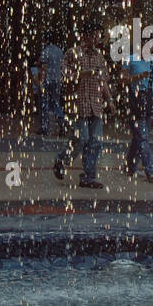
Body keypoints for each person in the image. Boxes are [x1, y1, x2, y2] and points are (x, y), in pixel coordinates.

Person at [53, 27, 114, 188]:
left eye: (98, 36)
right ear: (85, 36)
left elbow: (103, 81)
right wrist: (81, 74)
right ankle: (62, 159)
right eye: (93, 36)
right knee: (82, 138)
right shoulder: (72, 53)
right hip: (78, 104)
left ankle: (89, 176)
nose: (96, 40)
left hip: (95, 104)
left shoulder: (99, 57)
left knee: (96, 140)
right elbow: (65, 76)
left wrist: (110, 100)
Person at [120, 51, 153, 182]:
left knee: (139, 137)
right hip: (135, 103)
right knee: (142, 137)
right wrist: (138, 77)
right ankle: (150, 168)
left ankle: (130, 166)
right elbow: (123, 79)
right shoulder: (130, 59)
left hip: (149, 103)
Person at [38, 33, 65, 136]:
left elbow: (44, 67)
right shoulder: (59, 51)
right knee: (56, 102)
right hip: (57, 80)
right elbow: (62, 66)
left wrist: (41, 81)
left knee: (44, 103)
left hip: (48, 80)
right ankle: (61, 121)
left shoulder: (46, 51)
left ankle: (44, 127)